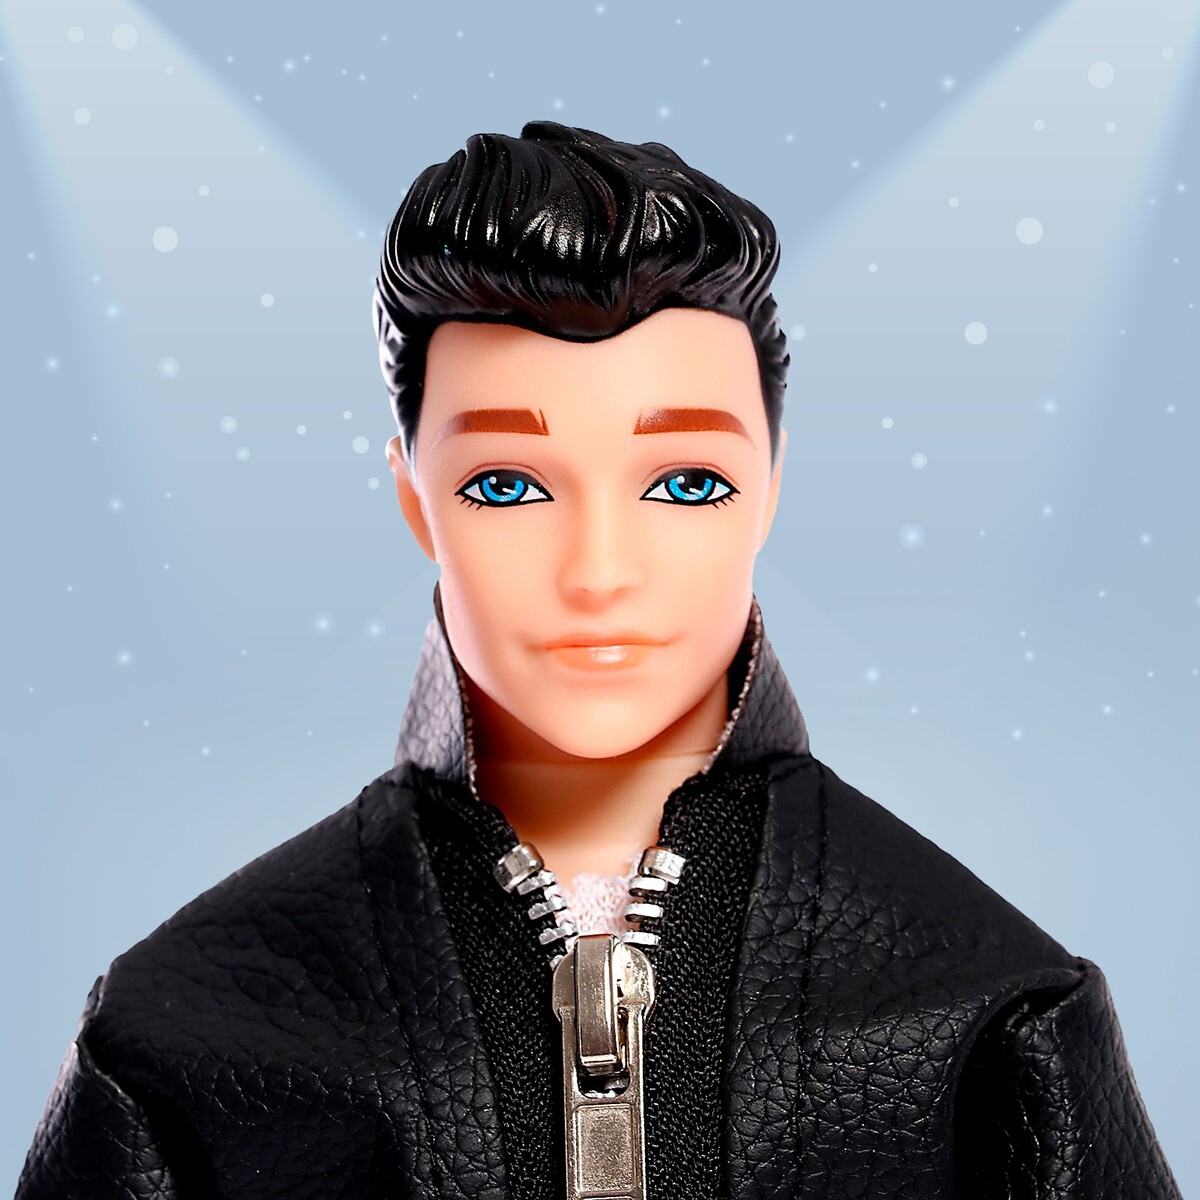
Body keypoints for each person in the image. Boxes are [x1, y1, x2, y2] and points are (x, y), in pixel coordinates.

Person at [15, 121, 1179, 1199]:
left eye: (687, 483)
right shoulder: (190, 1037)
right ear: (414, 500)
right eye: (506, 485)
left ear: (772, 487)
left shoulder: (980, 1009)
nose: (599, 570)